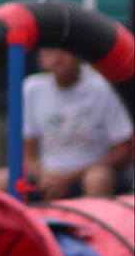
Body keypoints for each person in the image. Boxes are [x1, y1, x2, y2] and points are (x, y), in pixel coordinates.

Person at [21, 45, 133, 200]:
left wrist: (69, 177)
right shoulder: (31, 88)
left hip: (88, 174)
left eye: (64, 51)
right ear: (39, 58)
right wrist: (44, 177)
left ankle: (93, 216)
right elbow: (27, 154)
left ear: (79, 55)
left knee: (98, 178)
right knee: (0, 179)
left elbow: (123, 153)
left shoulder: (103, 87)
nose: (56, 59)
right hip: (46, 178)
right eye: (49, 52)